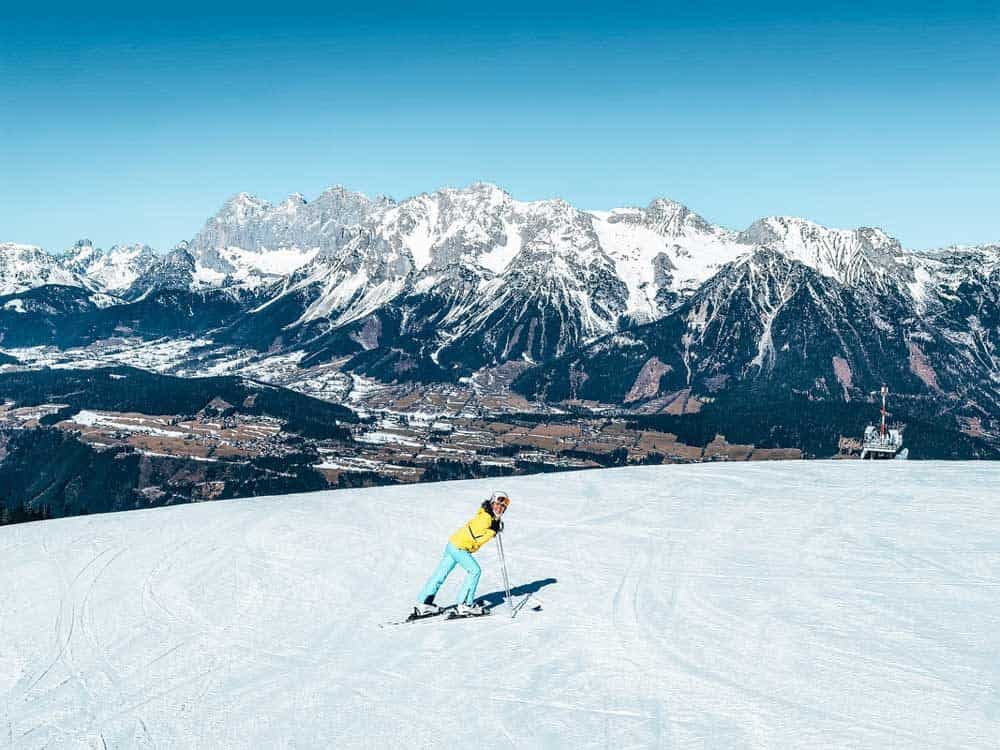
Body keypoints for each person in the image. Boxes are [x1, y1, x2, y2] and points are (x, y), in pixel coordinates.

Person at [414, 490, 511, 617]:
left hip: (453, 544)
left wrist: (494, 524)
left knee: (440, 574)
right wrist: (492, 531)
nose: (499, 508)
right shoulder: (486, 518)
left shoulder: (486, 514)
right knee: (475, 571)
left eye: (503, 506)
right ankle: (465, 604)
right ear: (492, 503)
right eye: (497, 504)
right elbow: (475, 537)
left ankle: (424, 604)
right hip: (460, 547)